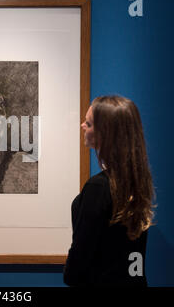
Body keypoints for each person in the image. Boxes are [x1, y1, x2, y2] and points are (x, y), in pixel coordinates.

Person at [63, 95, 155, 287]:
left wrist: (70, 274)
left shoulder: (99, 187)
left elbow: (80, 259)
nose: (82, 126)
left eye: (88, 123)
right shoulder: (137, 182)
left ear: (105, 134)